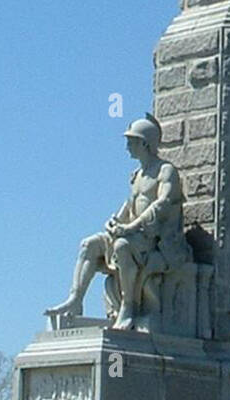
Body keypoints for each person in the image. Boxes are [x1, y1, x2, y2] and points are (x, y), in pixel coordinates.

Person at [44, 115, 191, 331]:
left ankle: (129, 307)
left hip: (156, 241)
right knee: (89, 244)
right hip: (133, 234)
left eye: (131, 141)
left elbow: (163, 203)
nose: (127, 147)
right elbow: (129, 204)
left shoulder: (165, 170)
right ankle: (75, 300)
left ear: (144, 142)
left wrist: (131, 227)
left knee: (122, 246)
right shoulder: (137, 174)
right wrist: (115, 221)